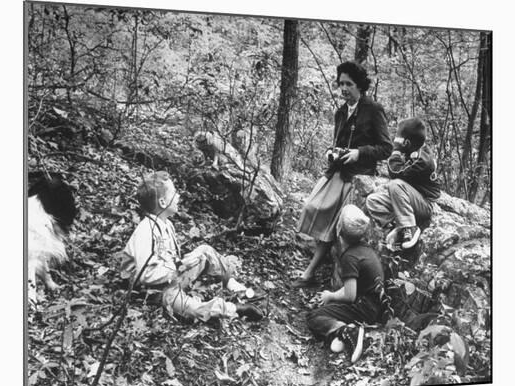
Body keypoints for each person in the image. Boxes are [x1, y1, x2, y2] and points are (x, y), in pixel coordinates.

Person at [293, 61, 392, 288]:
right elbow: (339, 142)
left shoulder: (373, 110)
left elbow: (386, 148)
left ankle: (310, 274)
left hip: (357, 177)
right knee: (311, 207)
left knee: (334, 225)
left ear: (360, 85)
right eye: (341, 84)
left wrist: (359, 153)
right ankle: (317, 264)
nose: (344, 88)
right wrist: (332, 151)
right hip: (337, 172)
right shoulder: (341, 112)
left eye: (349, 84)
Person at [119, 171, 263, 322]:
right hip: (151, 292)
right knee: (186, 306)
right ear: (162, 203)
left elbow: (172, 259)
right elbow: (146, 275)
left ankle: (237, 289)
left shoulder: (167, 224)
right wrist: (178, 266)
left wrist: (182, 266)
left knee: (204, 251)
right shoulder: (145, 231)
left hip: (170, 279)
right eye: (174, 193)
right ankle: (234, 309)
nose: (178, 196)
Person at [306, 205, 392, 364]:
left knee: (314, 316)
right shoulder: (364, 248)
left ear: (339, 229)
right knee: (324, 309)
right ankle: (339, 335)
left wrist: (330, 296)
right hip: (374, 305)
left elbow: (350, 295)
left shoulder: (350, 257)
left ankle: (348, 331)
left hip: (365, 308)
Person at [365, 117, 440, 250]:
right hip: (409, 199)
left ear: (407, 142)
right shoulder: (412, 150)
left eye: (398, 140)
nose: (396, 142)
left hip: (424, 204)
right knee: (373, 200)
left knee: (395, 184)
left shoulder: (422, 159)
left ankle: (409, 227)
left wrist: (396, 151)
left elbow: (395, 172)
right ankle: (398, 227)